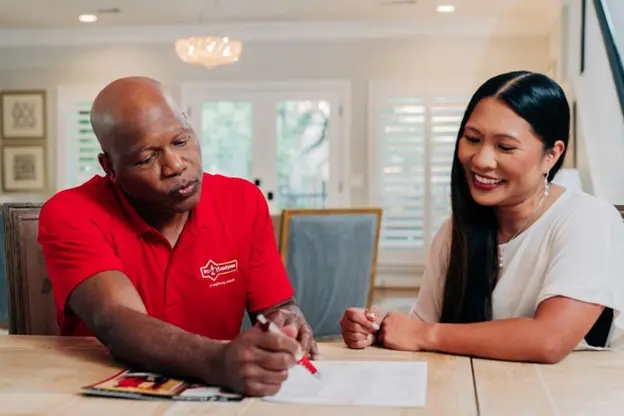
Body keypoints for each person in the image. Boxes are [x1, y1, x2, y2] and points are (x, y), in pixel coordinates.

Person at [38, 76, 318, 396]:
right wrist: (218, 361)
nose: (175, 165)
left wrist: (289, 322)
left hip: (216, 397)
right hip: (100, 394)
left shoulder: (243, 201)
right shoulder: (69, 212)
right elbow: (115, 318)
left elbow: (278, 305)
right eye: (147, 158)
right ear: (109, 167)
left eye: (181, 141)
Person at [340, 70, 624, 363]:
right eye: (473, 138)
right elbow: (419, 328)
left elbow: (548, 340)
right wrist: (379, 328)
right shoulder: (455, 232)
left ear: (551, 155)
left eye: (505, 147)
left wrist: (426, 335)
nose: (481, 160)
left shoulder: (589, 219)